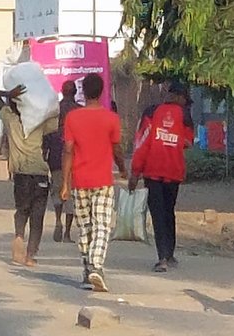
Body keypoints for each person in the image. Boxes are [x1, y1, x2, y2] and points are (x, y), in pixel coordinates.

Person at [60, 74, 127, 292]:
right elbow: (117, 149)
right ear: (102, 92)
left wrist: (65, 183)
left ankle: (87, 271)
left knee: (85, 228)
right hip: (103, 181)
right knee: (102, 225)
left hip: (79, 182)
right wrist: (123, 168)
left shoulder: (72, 118)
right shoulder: (111, 119)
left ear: (83, 92)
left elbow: (68, 150)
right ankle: (96, 266)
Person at [130, 81, 194, 272]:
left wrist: (135, 172)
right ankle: (169, 254)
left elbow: (142, 143)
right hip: (173, 171)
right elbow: (188, 142)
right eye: (184, 99)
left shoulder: (151, 112)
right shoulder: (185, 115)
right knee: (168, 212)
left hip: (153, 171)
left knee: (158, 214)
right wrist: (173, 139)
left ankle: (162, 258)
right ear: (178, 97)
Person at [0, 85, 58, 266]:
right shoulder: (38, 123)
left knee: (22, 210)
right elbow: (55, 118)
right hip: (40, 174)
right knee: (37, 216)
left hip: (21, 175)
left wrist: (8, 94)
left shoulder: (11, 121)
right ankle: (30, 255)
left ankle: (19, 237)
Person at [46, 80, 81, 242]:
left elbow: (47, 134)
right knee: (70, 196)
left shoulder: (54, 111)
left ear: (62, 91)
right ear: (75, 93)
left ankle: (58, 220)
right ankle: (67, 232)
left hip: (55, 157)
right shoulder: (80, 111)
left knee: (57, 191)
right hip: (74, 159)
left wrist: (45, 152)